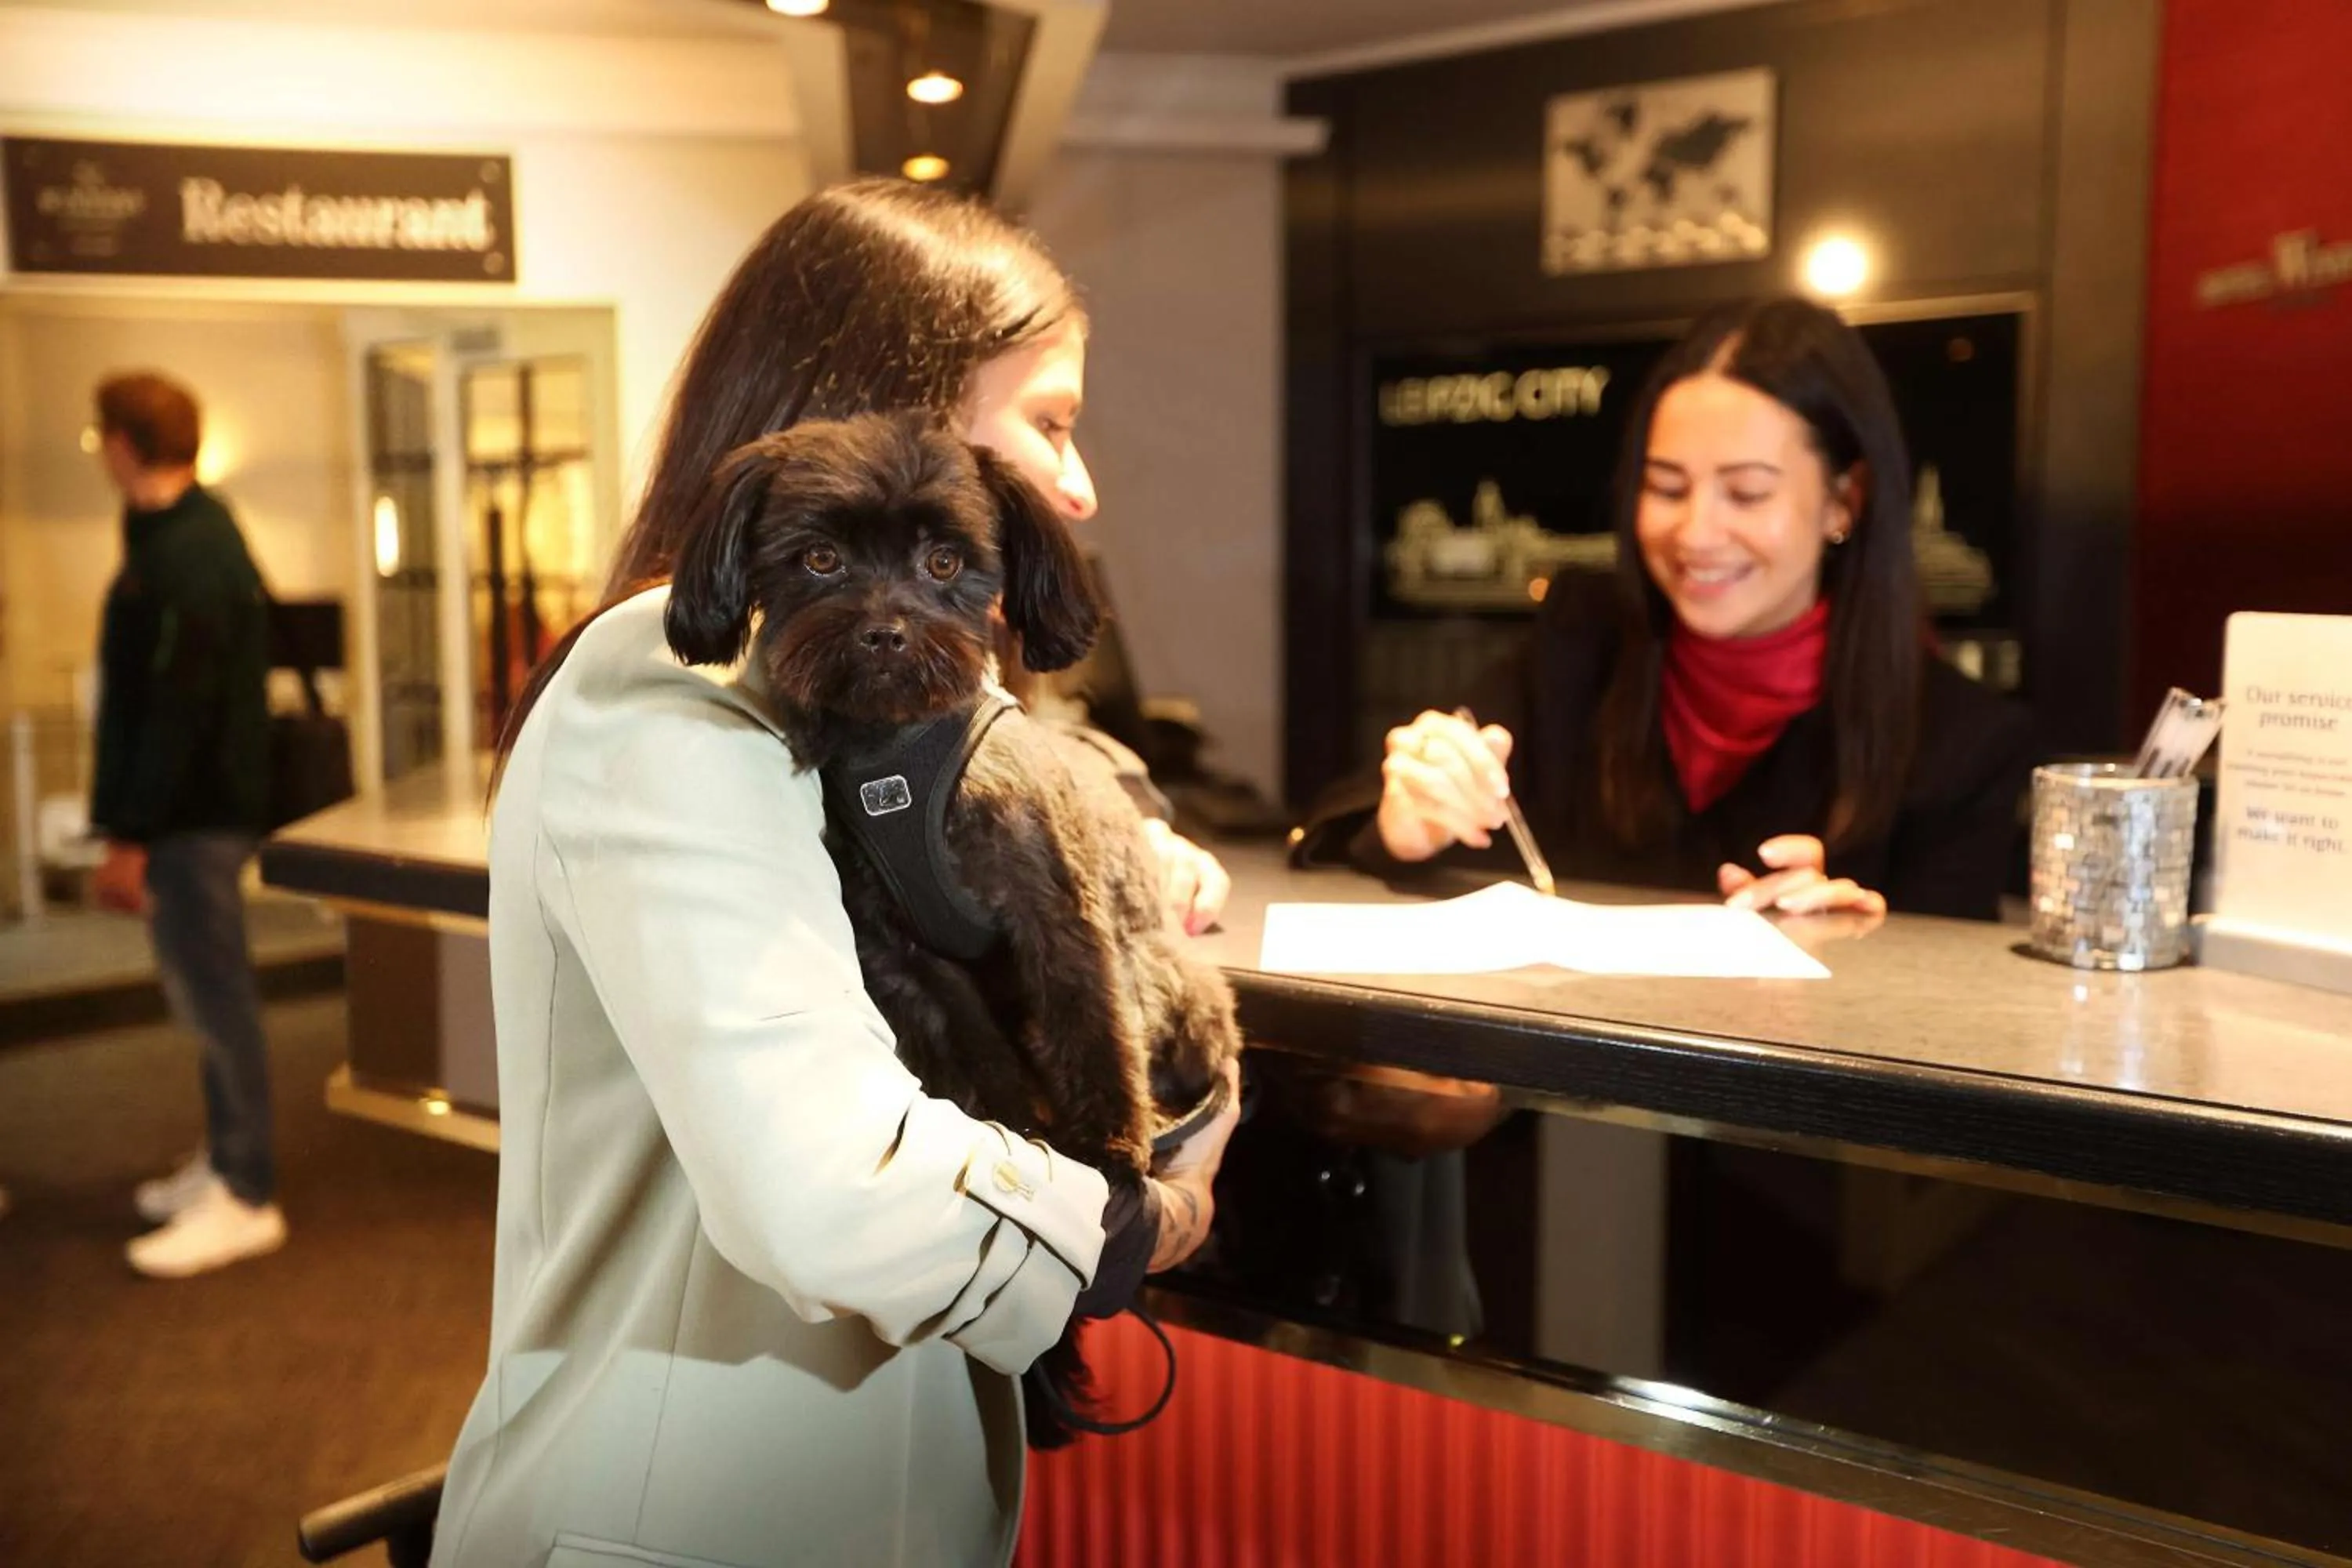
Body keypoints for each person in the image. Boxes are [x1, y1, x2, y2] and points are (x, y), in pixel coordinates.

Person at [430, 180, 1243, 1568]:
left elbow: (1036, 774)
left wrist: (1136, 841)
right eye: (1050, 420)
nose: (1082, 478)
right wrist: (1134, 1222)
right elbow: (831, 1188)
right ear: (889, 414)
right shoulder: (670, 686)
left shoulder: (878, 702)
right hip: (689, 1518)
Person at [1298, 296, 2035, 921]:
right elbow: (1347, 821)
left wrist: (1867, 951)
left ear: (1844, 501)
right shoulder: (1584, 642)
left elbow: (1956, 1039)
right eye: (1667, 487)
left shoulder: (1960, 743)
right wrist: (1409, 815)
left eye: (1746, 493)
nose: (1697, 534)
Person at [85, 372, 285, 1278]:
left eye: (103, 439)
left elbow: (176, 705)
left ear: (128, 443)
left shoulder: (193, 547)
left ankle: (246, 1190)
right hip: (185, 810)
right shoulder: (172, 535)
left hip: (194, 815)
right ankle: (225, 1161)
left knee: (216, 993)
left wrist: (131, 833)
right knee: (203, 990)